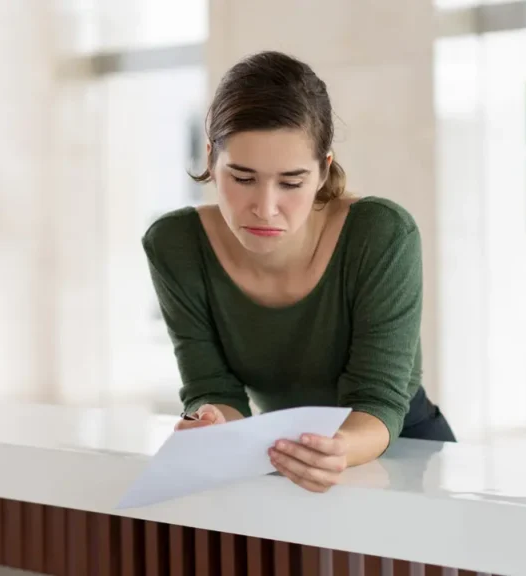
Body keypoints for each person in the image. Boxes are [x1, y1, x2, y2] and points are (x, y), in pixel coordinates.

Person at [142, 51, 455, 494]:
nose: (265, 207)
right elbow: (212, 388)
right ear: (211, 159)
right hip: (287, 455)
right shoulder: (175, 245)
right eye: (242, 178)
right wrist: (212, 426)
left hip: (403, 447)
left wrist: (335, 449)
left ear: (323, 170)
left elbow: (378, 401)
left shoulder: (381, 234)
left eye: (291, 182)